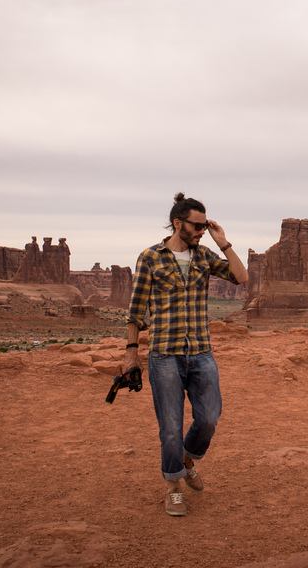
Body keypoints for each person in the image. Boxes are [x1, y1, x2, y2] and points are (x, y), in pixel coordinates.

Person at [122, 193, 247, 517]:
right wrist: (131, 353)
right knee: (170, 427)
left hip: (201, 352)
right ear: (178, 223)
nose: (201, 231)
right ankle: (174, 487)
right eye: (197, 226)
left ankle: (188, 459)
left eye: (205, 226)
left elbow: (241, 277)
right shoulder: (150, 257)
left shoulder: (205, 255)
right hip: (165, 354)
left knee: (208, 418)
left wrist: (224, 242)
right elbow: (136, 310)